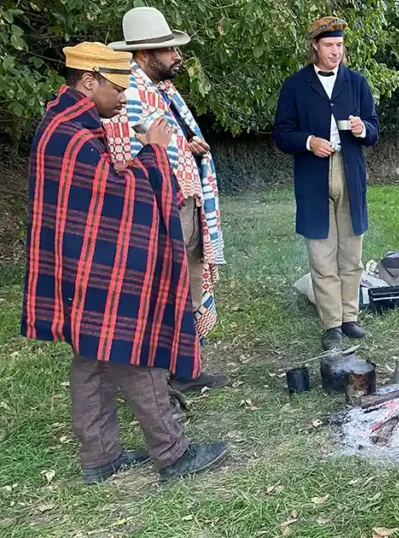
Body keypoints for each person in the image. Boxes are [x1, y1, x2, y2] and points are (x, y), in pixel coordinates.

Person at [22, 42, 229, 484]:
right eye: (117, 87)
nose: (122, 97)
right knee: (135, 350)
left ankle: (100, 457)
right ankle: (173, 455)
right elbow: (119, 197)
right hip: (96, 266)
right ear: (89, 80)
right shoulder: (71, 135)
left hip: (78, 266)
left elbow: (100, 190)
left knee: (91, 355)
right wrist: (154, 151)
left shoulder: (67, 121)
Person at [105, 7, 228, 393]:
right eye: (168, 49)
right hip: (161, 210)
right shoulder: (131, 93)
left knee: (190, 287)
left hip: (185, 205)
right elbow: (126, 154)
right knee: (166, 292)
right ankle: (162, 379)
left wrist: (189, 147)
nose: (177, 56)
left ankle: (187, 369)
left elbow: (166, 142)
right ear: (143, 55)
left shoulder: (164, 92)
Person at [272, 17, 380, 351]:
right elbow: (281, 133)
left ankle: (350, 318)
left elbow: (375, 130)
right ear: (315, 47)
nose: (336, 52)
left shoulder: (357, 83)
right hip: (313, 177)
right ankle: (331, 323)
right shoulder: (295, 85)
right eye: (330, 45)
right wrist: (308, 142)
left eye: (340, 46)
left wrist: (363, 129)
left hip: (350, 174)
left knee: (351, 252)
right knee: (322, 254)